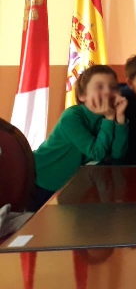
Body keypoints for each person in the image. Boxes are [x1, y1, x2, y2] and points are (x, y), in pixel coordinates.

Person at [30, 65, 128, 210]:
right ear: (82, 96)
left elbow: (117, 154)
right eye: (99, 87)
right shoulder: (72, 116)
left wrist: (120, 119)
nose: (108, 92)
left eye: (113, 87)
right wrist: (109, 119)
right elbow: (96, 152)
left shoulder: (106, 116)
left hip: (71, 183)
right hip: (45, 179)